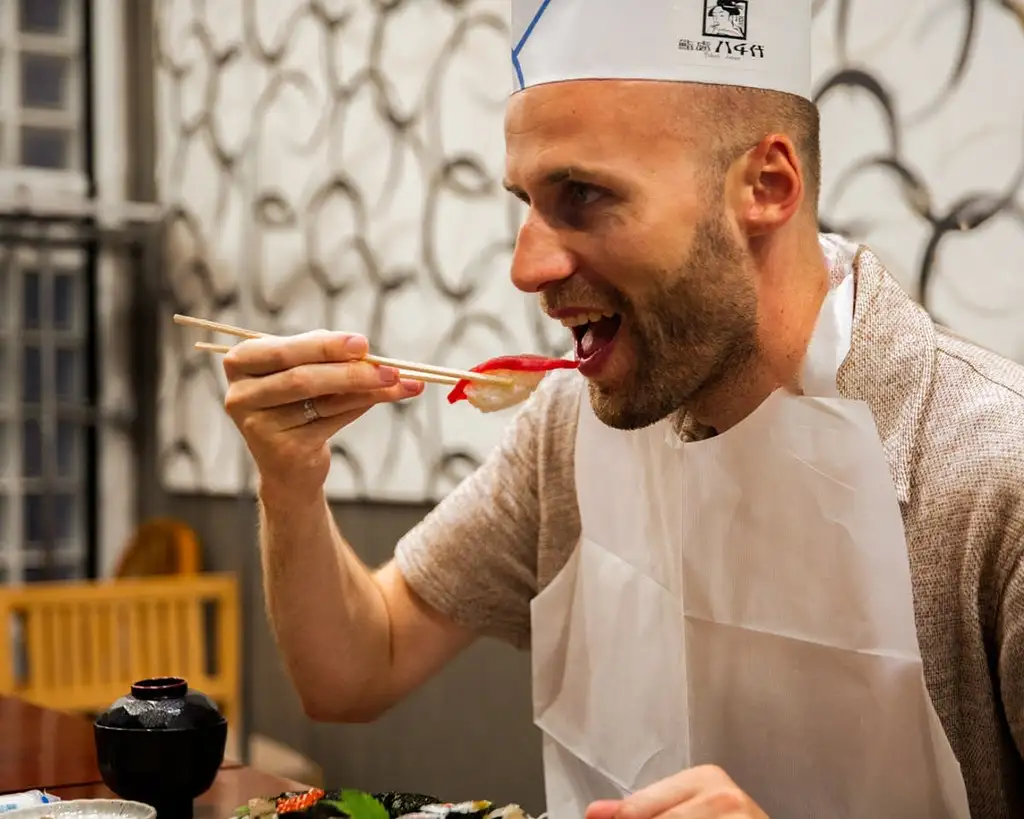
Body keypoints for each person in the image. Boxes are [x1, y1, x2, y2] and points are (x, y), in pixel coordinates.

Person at [220, 0, 1024, 817]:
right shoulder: (570, 425)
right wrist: (291, 480)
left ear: (767, 185)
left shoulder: (996, 478)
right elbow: (358, 666)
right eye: (526, 200)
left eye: (584, 194)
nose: (527, 267)